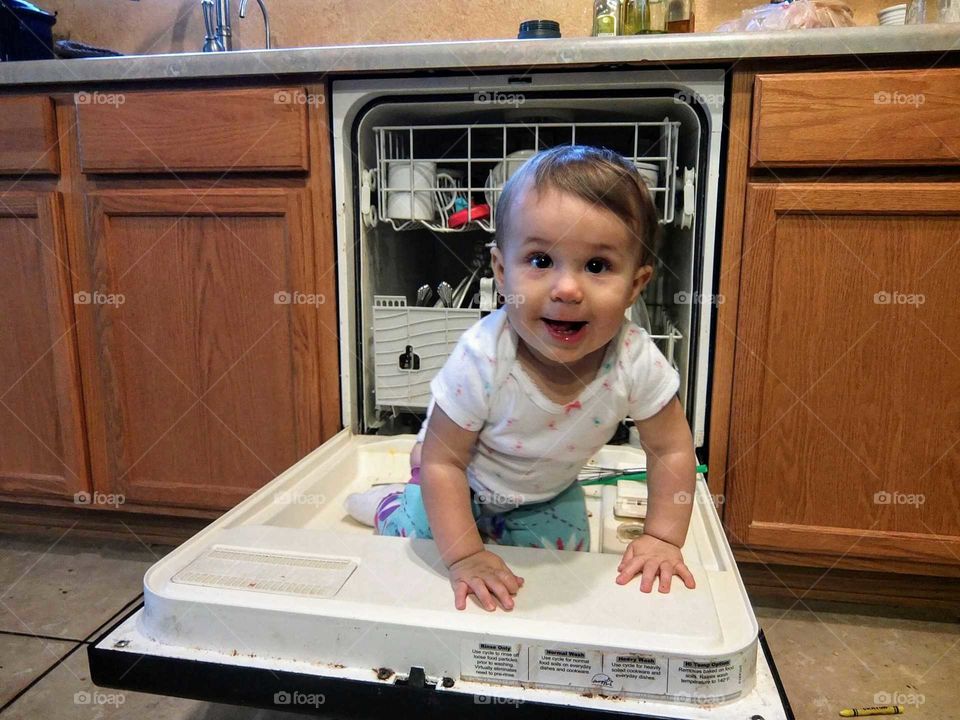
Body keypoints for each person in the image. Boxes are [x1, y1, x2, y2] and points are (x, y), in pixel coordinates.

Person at [345, 145, 698, 612]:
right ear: (500, 270)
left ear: (636, 285)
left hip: (544, 490)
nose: (567, 289)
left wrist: (661, 538)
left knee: (562, 560)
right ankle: (389, 505)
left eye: (597, 266)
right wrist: (467, 556)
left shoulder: (634, 359)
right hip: (460, 476)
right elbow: (444, 463)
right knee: (424, 536)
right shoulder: (483, 356)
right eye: (540, 260)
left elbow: (671, 448)